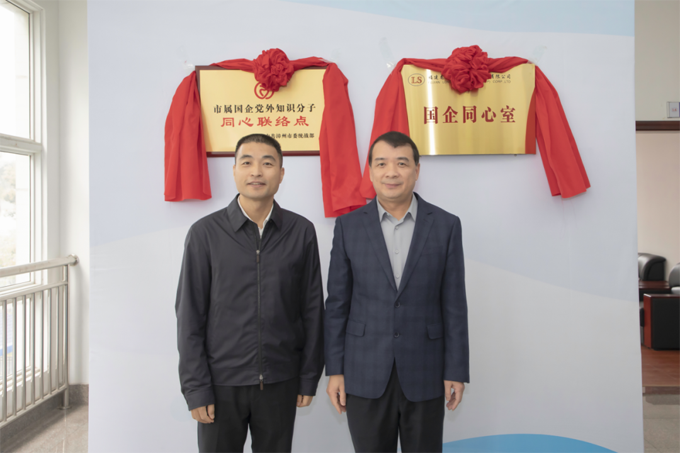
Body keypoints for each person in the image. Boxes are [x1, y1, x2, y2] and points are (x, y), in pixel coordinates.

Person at [176, 134, 324, 453]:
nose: (256, 171)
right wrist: (196, 388)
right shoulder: (205, 234)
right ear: (234, 171)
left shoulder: (301, 231)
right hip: (220, 383)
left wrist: (308, 376)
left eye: (267, 163)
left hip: (280, 380)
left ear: (281, 174)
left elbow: (312, 311)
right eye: (247, 162)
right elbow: (189, 316)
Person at [325, 131, 469, 453]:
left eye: (402, 163)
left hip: (426, 370)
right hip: (363, 371)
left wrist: (456, 370)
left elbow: (454, 305)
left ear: (417, 170)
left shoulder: (445, 225)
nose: (391, 172)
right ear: (370, 171)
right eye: (381, 164)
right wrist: (335, 369)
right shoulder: (348, 227)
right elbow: (336, 305)